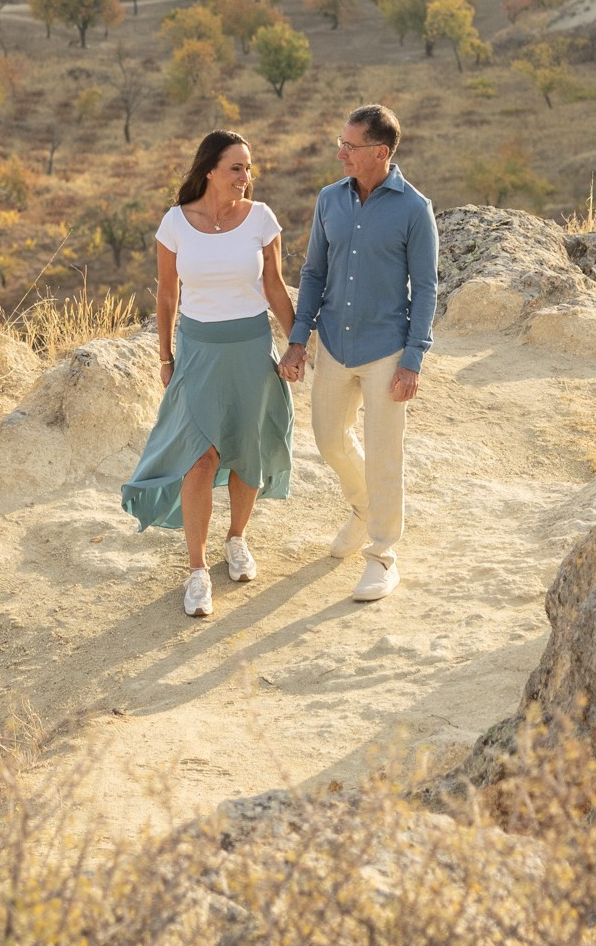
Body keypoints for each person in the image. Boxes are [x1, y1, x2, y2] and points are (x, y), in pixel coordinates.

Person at [122, 127, 297, 617]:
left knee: (247, 451)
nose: (246, 177)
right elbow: (165, 296)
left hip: (249, 347)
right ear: (210, 170)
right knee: (199, 457)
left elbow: (275, 286)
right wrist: (164, 357)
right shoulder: (175, 223)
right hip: (198, 351)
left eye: (249, 168)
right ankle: (197, 570)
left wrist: (298, 344)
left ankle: (236, 540)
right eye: (236, 168)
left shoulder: (261, 219)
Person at [278, 104, 437, 606]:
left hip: (386, 350)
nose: (341, 153)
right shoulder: (330, 200)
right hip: (334, 345)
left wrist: (413, 358)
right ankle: (364, 506)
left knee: (385, 453)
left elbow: (427, 288)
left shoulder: (415, 209)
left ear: (380, 152)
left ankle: (383, 554)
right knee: (328, 439)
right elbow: (313, 274)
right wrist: (299, 339)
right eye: (340, 144)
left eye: (351, 146)